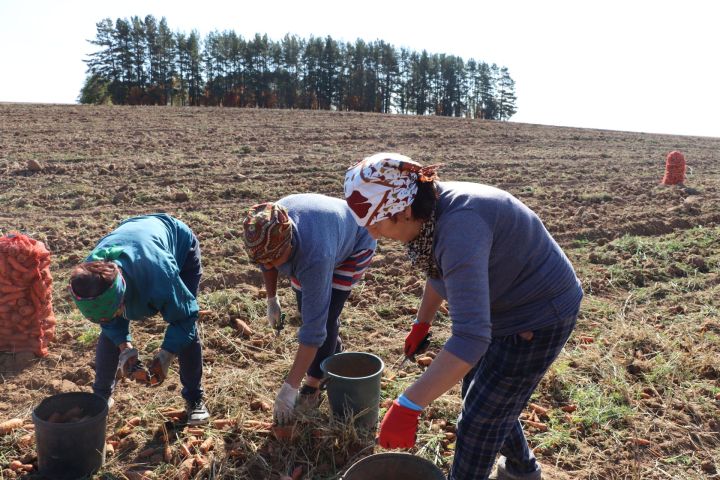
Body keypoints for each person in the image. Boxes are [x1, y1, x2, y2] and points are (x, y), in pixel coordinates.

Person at [343, 153, 583, 480]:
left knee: (477, 424)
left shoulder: (460, 227)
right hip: (504, 302)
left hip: (538, 314)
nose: (372, 234)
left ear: (403, 210)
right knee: (485, 395)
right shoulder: (431, 216)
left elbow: (471, 337)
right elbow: (440, 272)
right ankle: (522, 470)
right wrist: (422, 322)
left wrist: (409, 404)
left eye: (376, 223)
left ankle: (516, 470)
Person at [241, 194, 376, 424]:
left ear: (290, 243)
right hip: (323, 231)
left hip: (355, 242)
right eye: (266, 260)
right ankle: (333, 349)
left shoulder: (314, 256)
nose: (272, 265)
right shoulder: (266, 228)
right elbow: (267, 261)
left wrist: (289, 388)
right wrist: (271, 298)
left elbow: (314, 329)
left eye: (275, 258)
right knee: (308, 308)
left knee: (325, 316)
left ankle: (314, 383)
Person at [68, 214, 210, 426]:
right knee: (108, 333)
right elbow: (108, 321)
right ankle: (101, 398)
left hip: (178, 246)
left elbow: (185, 316)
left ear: (122, 295)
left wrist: (166, 355)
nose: (114, 317)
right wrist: (125, 350)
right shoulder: (91, 275)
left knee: (186, 332)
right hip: (135, 236)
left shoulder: (159, 274)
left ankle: (194, 399)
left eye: (117, 310)